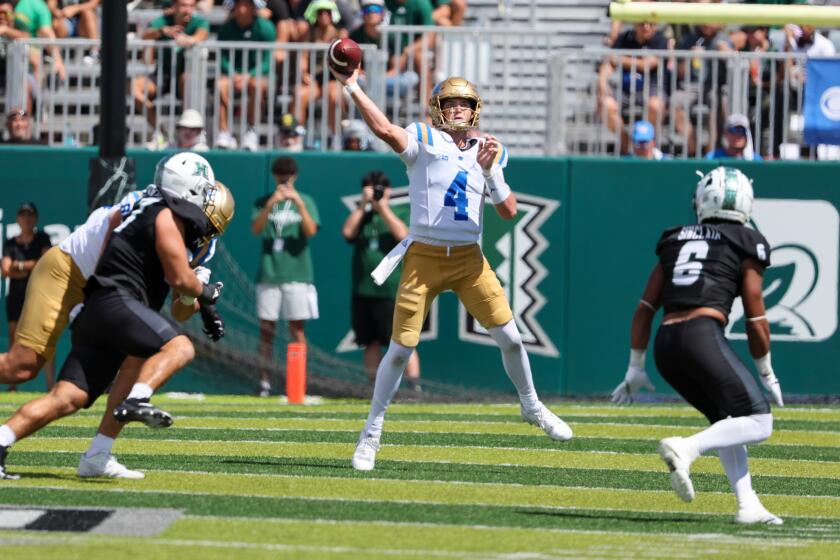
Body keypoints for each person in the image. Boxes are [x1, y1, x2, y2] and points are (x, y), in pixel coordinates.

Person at [333, 69, 573, 471]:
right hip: (424, 257)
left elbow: (508, 211)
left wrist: (490, 170)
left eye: (463, 102)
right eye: (449, 102)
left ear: (476, 108)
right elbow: (384, 129)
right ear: (437, 109)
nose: (457, 108)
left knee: (512, 339)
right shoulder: (424, 139)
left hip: (468, 260)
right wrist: (352, 85)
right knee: (399, 350)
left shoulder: (490, 147)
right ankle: (371, 433)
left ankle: (531, 406)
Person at [0, 167, 233, 481]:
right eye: (205, 222)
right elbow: (110, 224)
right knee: (22, 367)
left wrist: (195, 300)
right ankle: (125, 415)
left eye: (212, 229)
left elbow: (180, 308)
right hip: (71, 269)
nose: (204, 233)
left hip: (109, 290)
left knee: (133, 361)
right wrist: (202, 295)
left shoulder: (204, 246)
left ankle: (99, 453)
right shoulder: (154, 204)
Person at [612, 166, 784, 525]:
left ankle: (747, 504)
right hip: (701, 333)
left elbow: (645, 308)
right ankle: (687, 447)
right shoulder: (747, 239)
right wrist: (766, 368)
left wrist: (635, 366)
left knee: (728, 420)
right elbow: (756, 313)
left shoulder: (676, 237)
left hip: (666, 343)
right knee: (760, 421)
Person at [342, 170, 421, 390]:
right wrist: (363, 205)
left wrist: (382, 206)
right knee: (370, 341)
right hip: (364, 289)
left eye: (378, 188)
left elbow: (403, 235)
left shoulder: (399, 211)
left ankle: (413, 387)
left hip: (391, 289)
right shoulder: (363, 216)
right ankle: (373, 387)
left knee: (402, 340)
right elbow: (347, 232)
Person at [251, 156, 320, 397]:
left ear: (295, 177)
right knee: (266, 330)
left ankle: (298, 380)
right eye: (280, 175)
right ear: (274, 176)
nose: (284, 180)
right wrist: (271, 204)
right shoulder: (264, 201)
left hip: (297, 274)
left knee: (297, 329)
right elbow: (256, 229)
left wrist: (298, 203)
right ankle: (264, 381)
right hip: (269, 273)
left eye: (288, 176)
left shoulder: (307, 201)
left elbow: (311, 231)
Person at [132, 0, 210, 148]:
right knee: (134, 87)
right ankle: (161, 132)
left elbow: (202, 33)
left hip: (185, 76)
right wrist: (162, 31)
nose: (187, 9)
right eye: (183, 5)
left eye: (191, 5)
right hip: (163, 74)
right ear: (174, 7)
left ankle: (188, 133)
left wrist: (188, 39)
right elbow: (146, 35)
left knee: (188, 79)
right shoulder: (163, 21)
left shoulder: (199, 21)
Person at [2, 203, 52, 391]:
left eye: (30, 215)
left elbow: (45, 262)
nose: (27, 219)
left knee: (46, 340)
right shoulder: (11, 243)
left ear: (36, 219)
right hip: (16, 297)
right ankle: (11, 384)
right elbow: (6, 269)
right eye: (23, 215)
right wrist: (28, 267)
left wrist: (20, 266)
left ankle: (50, 385)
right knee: (14, 340)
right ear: (18, 219)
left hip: (39, 295)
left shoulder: (42, 238)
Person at [597, 22, 667, 154]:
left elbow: (647, 65)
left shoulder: (660, 39)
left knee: (655, 105)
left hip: (650, 87)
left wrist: (620, 58)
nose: (646, 27)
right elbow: (609, 63)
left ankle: (648, 146)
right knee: (606, 104)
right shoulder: (623, 38)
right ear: (634, 24)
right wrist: (601, 81)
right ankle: (627, 145)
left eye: (650, 24)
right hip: (625, 89)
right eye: (641, 24)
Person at [215, 0, 276, 151]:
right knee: (220, 85)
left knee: (256, 85)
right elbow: (222, 57)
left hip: (257, 76)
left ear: (253, 8)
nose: (242, 8)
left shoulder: (266, 28)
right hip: (233, 76)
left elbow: (268, 61)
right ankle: (224, 133)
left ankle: (251, 131)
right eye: (239, 4)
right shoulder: (226, 28)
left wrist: (249, 76)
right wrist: (233, 74)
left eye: (246, 4)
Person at [295, 0, 343, 135]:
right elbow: (303, 57)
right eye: (320, 12)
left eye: (327, 12)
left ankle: (336, 136)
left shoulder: (340, 34)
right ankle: (296, 136)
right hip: (314, 79)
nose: (323, 15)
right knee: (300, 94)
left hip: (333, 78)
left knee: (333, 96)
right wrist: (303, 73)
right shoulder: (308, 34)